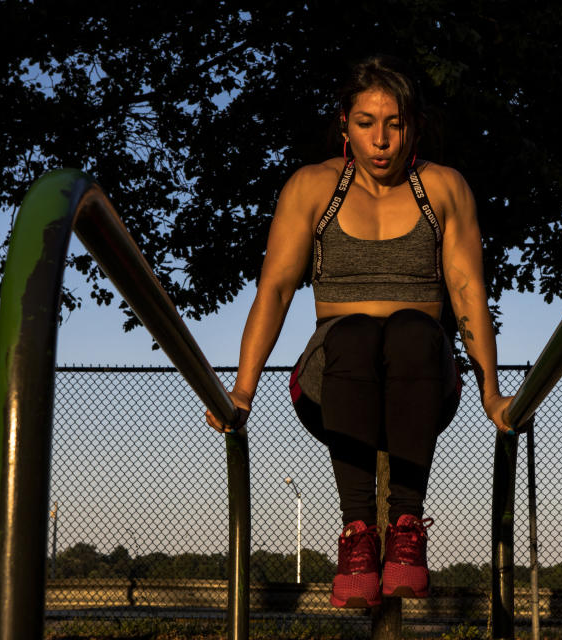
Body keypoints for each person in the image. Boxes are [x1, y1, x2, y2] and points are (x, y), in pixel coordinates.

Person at [206, 55, 514, 608]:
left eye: (395, 124)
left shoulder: (441, 189)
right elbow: (274, 290)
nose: (382, 140)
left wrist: (490, 388)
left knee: (414, 331)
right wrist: (242, 390)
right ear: (344, 123)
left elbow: (468, 293)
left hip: (419, 378)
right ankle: (357, 533)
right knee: (355, 334)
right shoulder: (312, 187)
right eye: (367, 122)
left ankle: (405, 527)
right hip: (332, 378)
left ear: (413, 127)